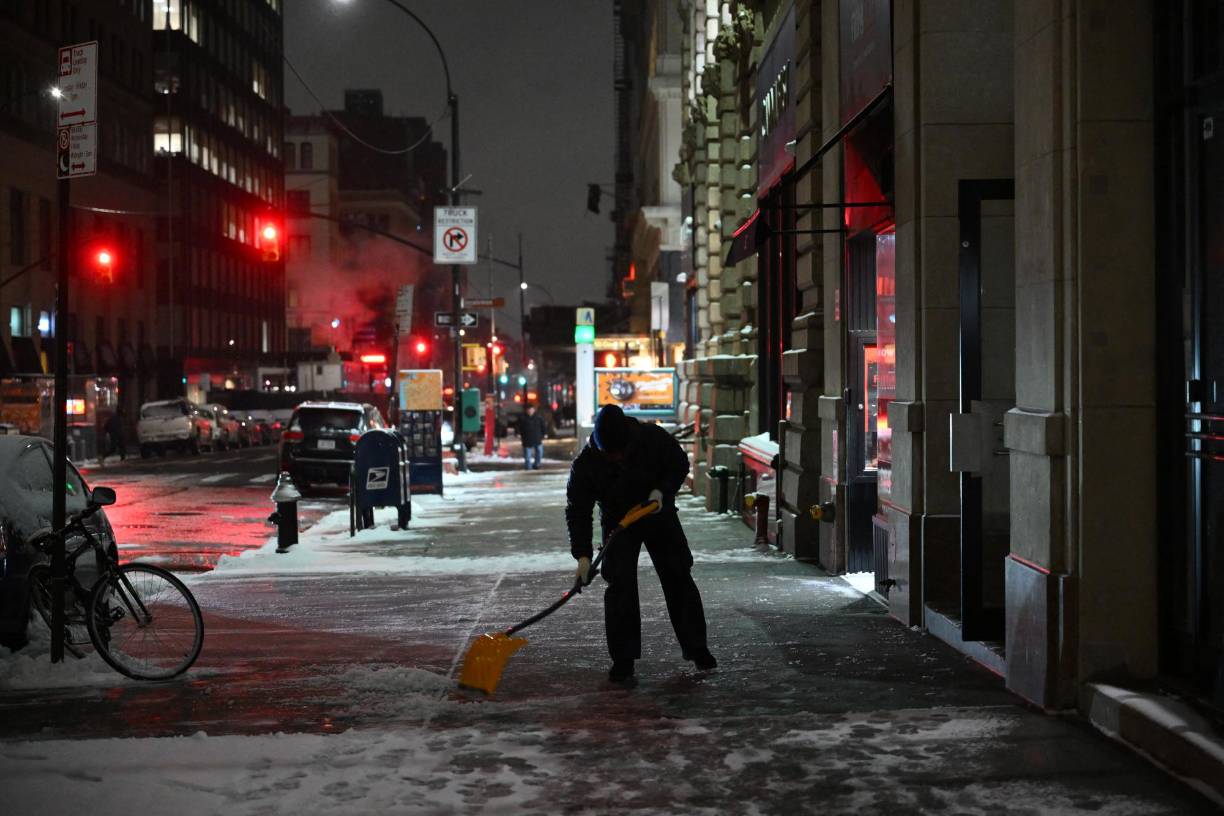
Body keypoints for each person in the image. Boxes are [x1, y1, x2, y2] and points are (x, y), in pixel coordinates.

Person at [565, 403, 716, 682]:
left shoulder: (652, 438)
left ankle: (697, 648)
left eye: (621, 452)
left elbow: (679, 464)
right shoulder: (587, 464)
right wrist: (583, 557)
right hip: (618, 522)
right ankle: (623, 659)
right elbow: (578, 511)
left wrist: (662, 491)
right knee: (619, 584)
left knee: (678, 576)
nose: (617, 458)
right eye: (611, 454)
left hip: (657, 513)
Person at [519, 403, 546, 470]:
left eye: (531, 409)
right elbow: (519, 427)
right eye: (529, 410)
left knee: (539, 452)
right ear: (526, 410)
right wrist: (518, 433)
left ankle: (537, 464)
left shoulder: (538, 417)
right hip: (527, 439)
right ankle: (528, 467)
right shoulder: (523, 418)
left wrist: (545, 433)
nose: (530, 411)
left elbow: (543, 426)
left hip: (537, 438)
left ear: (534, 410)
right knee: (527, 455)